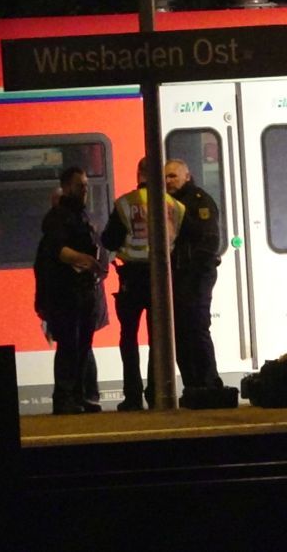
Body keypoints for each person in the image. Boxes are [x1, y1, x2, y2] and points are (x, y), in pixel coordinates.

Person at [101, 158, 185, 411]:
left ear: (139, 173)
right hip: (162, 278)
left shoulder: (126, 203)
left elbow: (109, 240)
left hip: (132, 277)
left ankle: (133, 395)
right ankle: (157, 392)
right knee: (158, 338)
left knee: (128, 337)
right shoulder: (176, 205)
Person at [37, 167, 103, 415]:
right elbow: (58, 250)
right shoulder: (58, 217)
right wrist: (86, 260)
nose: (85, 189)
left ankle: (79, 395)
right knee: (69, 345)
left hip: (84, 289)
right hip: (65, 291)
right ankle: (64, 397)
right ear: (66, 187)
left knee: (83, 346)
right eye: (79, 185)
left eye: (86, 184)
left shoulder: (81, 215)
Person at [164, 159, 224, 394]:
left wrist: (193, 272)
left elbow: (209, 239)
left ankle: (210, 382)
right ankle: (192, 385)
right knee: (179, 331)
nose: (168, 181)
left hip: (197, 275)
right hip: (177, 276)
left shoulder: (200, 201)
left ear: (187, 177)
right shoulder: (166, 202)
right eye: (165, 177)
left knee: (198, 327)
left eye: (173, 176)